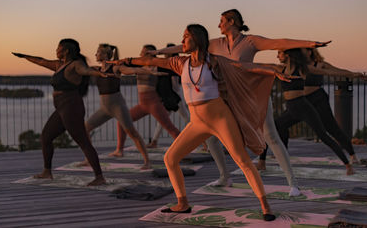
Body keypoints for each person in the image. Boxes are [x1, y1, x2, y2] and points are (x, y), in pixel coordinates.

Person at [148, 9, 331, 196]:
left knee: (271, 136)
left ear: (232, 21)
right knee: (210, 137)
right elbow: (182, 48)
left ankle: (293, 183)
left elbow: (278, 42)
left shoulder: (250, 41)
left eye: (221, 21)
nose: (218, 25)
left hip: (250, 97)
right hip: (227, 99)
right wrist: (159, 52)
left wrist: (310, 43)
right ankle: (224, 176)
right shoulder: (215, 44)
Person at [115, 24, 288, 221]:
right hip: (197, 123)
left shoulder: (214, 62)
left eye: (186, 36)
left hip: (221, 119)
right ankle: (183, 203)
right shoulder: (180, 63)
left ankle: (266, 206)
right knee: (170, 159)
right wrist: (127, 60)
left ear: (197, 38)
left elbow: (243, 67)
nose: (182, 41)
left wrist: (272, 69)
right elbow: (149, 60)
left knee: (243, 161)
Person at [12, 39, 108, 186]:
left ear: (66, 50)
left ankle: (99, 177)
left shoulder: (75, 64)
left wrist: (99, 73)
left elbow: (86, 71)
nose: (56, 50)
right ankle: (47, 172)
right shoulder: (59, 65)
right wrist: (25, 56)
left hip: (71, 106)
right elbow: (42, 61)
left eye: (58, 48)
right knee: (46, 137)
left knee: (83, 141)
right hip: (61, 108)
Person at [260, 48, 355, 175]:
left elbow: (329, 72)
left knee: (324, 135)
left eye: (280, 53)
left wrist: (354, 75)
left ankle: (348, 165)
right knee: (270, 130)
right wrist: (235, 65)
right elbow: (258, 66)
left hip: (304, 107)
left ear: (288, 55)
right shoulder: (279, 69)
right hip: (291, 108)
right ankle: (262, 162)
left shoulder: (303, 69)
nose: (277, 56)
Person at [78, 44, 164, 169]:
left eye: (98, 52)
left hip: (118, 106)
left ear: (105, 55)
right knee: (85, 129)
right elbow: (81, 70)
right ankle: (89, 159)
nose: (96, 54)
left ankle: (147, 162)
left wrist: (148, 71)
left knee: (132, 133)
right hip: (104, 108)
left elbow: (132, 71)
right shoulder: (96, 70)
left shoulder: (115, 68)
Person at [111, 45, 181, 157]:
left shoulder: (156, 66)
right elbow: (122, 64)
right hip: (142, 105)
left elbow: (172, 72)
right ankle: (119, 150)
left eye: (143, 53)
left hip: (153, 103)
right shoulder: (137, 65)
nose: (140, 55)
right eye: (141, 52)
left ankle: (184, 150)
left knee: (170, 128)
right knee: (122, 121)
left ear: (150, 54)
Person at [303, 48, 367, 164]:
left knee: (331, 127)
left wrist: (353, 75)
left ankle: (352, 155)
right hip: (301, 101)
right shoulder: (297, 66)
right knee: (282, 124)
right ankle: (280, 153)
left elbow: (336, 71)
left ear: (310, 52)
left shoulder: (320, 65)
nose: (301, 52)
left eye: (304, 50)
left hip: (318, 98)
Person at [147, 46, 190, 149]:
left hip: (173, 98)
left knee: (187, 119)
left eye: (167, 53)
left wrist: (173, 96)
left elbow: (175, 86)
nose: (165, 54)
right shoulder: (169, 67)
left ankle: (204, 142)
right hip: (170, 98)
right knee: (164, 120)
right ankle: (154, 141)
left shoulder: (172, 68)